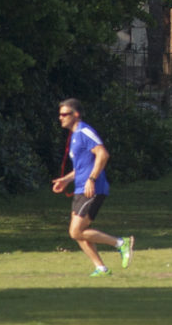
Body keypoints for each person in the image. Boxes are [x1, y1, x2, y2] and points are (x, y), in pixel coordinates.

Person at [51, 98, 133, 275]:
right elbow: (81, 167)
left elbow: (103, 154)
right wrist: (66, 180)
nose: (61, 118)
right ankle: (101, 268)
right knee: (79, 232)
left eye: (65, 114)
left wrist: (92, 179)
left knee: (76, 232)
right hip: (81, 187)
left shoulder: (84, 131)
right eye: (60, 115)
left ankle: (120, 243)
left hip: (92, 188)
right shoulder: (74, 136)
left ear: (76, 115)